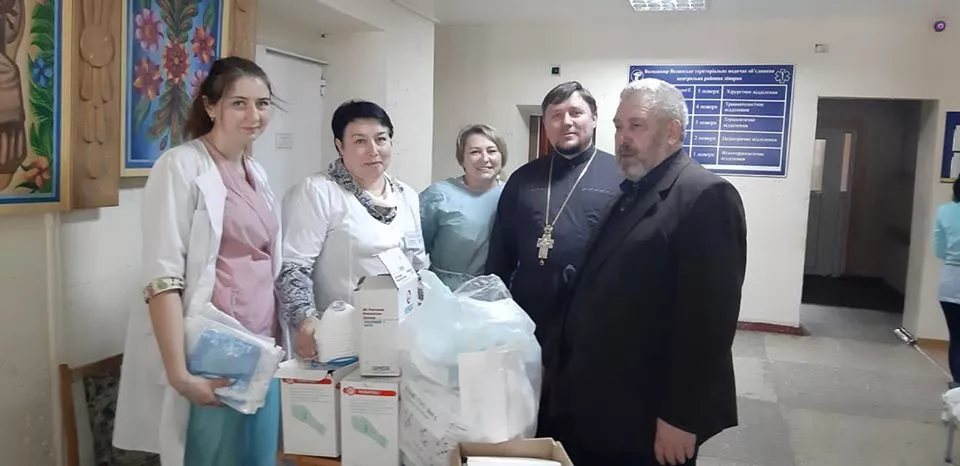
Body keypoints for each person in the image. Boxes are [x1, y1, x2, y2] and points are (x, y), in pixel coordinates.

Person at [544, 78, 747, 466]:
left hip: (650, 411)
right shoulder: (631, 190)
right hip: (604, 401)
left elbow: (708, 326)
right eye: (619, 126)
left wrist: (681, 417)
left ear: (672, 131)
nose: (623, 137)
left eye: (636, 125)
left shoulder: (705, 196)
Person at [113, 57, 284, 466]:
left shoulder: (256, 173)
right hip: (213, 351)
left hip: (264, 347)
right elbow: (162, 278)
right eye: (239, 103)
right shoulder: (180, 166)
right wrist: (179, 375)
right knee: (212, 455)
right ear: (210, 106)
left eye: (262, 104)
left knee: (258, 458)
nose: (254, 115)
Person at [276, 99, 428, 361]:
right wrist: (305, 320)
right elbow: (292, 267)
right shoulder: (319, 192)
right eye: (360, 141)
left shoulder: (407, 196)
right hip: (337, 341)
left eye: (381, 139)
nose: (373, 150)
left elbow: (416, 267)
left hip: (397, 336)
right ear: (339, 145)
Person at [485, 80, 621, 350]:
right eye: (556, 116)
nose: (566, 122)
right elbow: (501, 252)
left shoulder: (620, 175)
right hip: (529, 314)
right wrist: (494, 311)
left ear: (594, 119)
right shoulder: (523, 178)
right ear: (546, 124)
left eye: (576, 113)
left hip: (596, 314)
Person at [420, 124, 507, 290]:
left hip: (497, 293)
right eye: (475, 152)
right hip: (446, 291)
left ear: (502, 156)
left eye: (491, 151)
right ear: (462, 159)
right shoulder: (438, 196)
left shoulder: (511, 195)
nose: (485, 158)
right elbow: (415, 249)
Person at [935, 178, 960, 385]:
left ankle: (957, 385)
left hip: (950, 285)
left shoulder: (944, 212)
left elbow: (939, 250)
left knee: (957, 338)